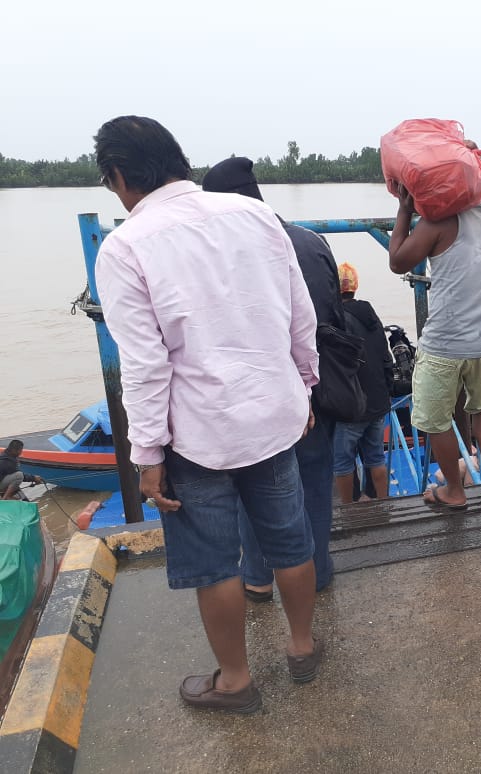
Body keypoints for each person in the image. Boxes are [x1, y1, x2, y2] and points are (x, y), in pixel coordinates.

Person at [94, 117, 321, 714]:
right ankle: (302, 648)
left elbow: (145, 364)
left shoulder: (124, 248)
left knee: (215, 563)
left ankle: (236, 682)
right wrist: (305, 387)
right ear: (178, 159)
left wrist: (147, 454)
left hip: (195, 435)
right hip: (273, 416)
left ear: (117, 176)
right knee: (290, 540)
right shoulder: (256, 216)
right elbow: (299, 315)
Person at [202, 156, 340, 598]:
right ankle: (317, 573)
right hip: (316, 385)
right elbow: (328, 316)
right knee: (314, 483)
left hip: (253, 395)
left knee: (254, 487)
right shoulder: (311, 241)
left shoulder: (222, 256)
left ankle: (258, 578)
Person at [387, 141, 481, 509]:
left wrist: (404, 210)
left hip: (445, 342)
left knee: (434, 419)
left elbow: (397, 261)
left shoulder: (437, 224)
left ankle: (454, 491)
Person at [333, 261, 393, 503]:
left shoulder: (336, 318)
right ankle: (384, 503)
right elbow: (385, 356)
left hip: (351, 406)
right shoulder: (370, 315)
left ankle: (350, 510)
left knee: (342, 462)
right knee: (376, 457)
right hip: (377, 401)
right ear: (355, 286)